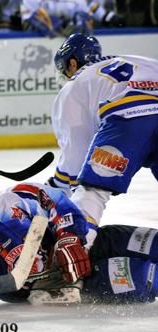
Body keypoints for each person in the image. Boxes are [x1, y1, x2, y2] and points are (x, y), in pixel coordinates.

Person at [0, 180, 158, 310]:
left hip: (92, 241)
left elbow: (58, 202)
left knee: (153, 242)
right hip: (74, 280)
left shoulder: (10, 201)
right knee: (149, 277)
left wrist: (68, 237)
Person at [47, 33, 158, 245]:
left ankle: (75, 254)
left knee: (91, 192)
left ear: (72, 63)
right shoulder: (135, 59)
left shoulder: (76, 83)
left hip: (129, 119)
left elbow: (75, 158)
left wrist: (55, 187)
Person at [20, 0, 123, 38]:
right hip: (40, 41)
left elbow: (87, 18)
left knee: (81, 19)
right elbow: (29, 20)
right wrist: (56, 27)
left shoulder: (78, 1)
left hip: (71, 47)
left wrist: (77, 27)